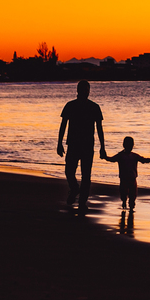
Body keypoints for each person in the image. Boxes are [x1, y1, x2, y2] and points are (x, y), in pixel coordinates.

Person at [57, 80, 106, 210]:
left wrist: (102, 147)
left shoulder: (94, 107)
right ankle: (74, 189)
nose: (85, 92)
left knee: (86, 175)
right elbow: (63, 125)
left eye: (87, 89)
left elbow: (100, 128)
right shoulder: (70, 105)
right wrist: (59, 143)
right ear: (78, 90)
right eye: (83, 89)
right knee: (69, 171)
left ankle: (82, 202)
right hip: (72, 144)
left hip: (88, 145)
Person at [103, 136, 150, 210]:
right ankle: (125, 203)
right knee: (124, 193)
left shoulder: (132, 155)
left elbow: (143, 160)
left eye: (131, 145)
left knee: (132, 194)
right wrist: (105, 157)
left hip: (132, 178)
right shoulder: (122, 155)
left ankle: (130, 205)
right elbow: (111, 159)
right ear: (124, 145)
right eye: (129, 145)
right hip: (125, 178)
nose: (130, 146)